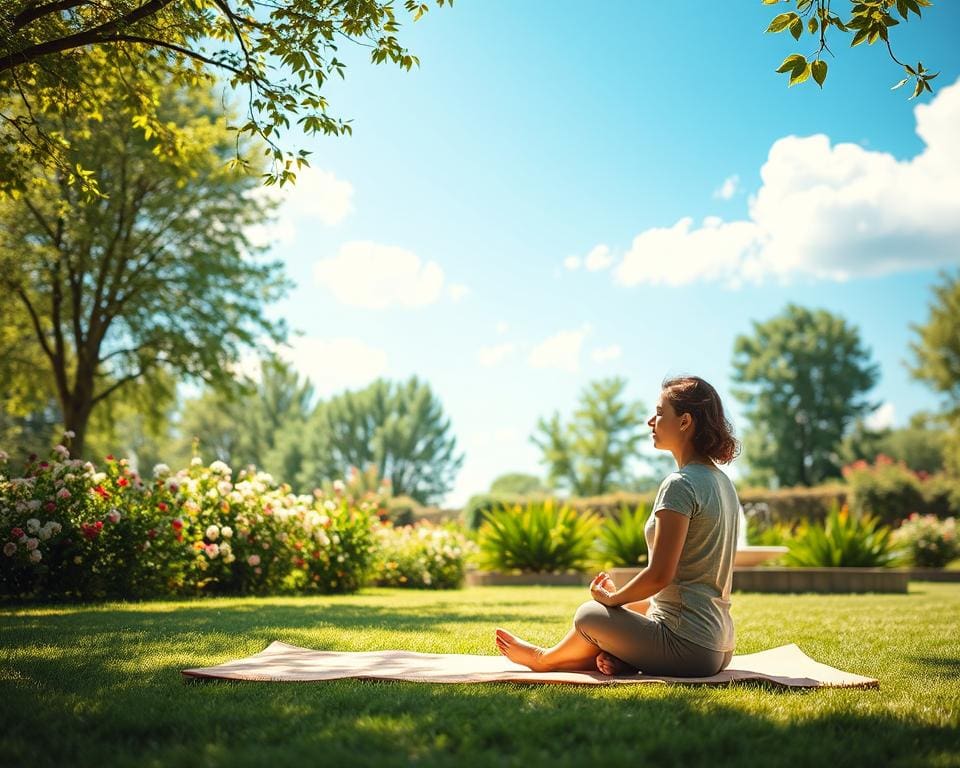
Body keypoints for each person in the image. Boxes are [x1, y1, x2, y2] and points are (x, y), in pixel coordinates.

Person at [495, 375, 741, 677]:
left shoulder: (680, 484)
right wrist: (623, 598)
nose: (651, 421)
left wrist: (613, 598)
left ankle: (543, 660)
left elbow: (660, 575)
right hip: (719, 645)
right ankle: (624, 659)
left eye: (661, 412)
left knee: (590, 614)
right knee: (625, 611)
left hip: (688, 646)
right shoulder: (723, 483)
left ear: (685, 421)